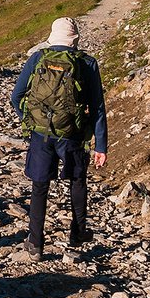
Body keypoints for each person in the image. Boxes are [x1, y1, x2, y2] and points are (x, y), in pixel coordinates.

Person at [9, 16, 108, 256]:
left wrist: (30, 121)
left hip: (41, 134)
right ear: (75, 38)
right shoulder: (87, 63)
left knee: (39, 186)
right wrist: (101, 145)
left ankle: (35, 242)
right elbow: (97, 107)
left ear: (53, 36)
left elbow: (16, 95)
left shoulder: (38, 58)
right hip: (72, 134)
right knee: (77, 181)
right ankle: (78, 233)